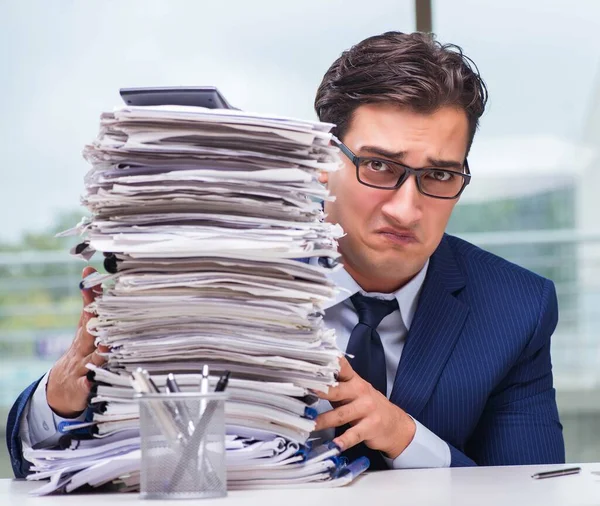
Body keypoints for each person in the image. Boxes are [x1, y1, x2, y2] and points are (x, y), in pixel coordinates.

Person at [7, 31, 565, 478]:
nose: (405, 209)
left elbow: (535, 489)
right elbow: (44, 457)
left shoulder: (515, 309)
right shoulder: (217, 275)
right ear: (322, 161)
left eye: (439, 174)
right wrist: (62, 393)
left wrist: (407, 438)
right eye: (378, 166)